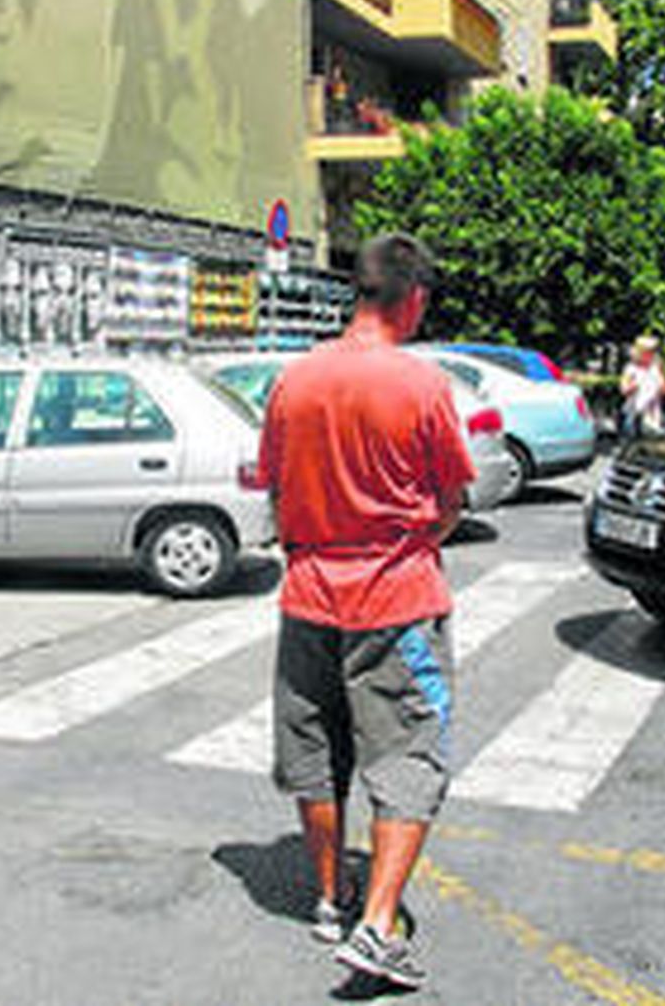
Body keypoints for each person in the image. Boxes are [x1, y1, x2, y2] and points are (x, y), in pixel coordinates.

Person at [255, 233, 475, 990]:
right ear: (414, 299)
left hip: (308, 596)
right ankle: (378, 926)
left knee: (315, 747)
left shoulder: (293, 381)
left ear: (359, 290)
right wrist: (404, 548)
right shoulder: (421, 384)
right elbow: (449, 501)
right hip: (396, 602)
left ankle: (330, 898)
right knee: (410, 752)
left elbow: (276, 488)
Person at [619, 334, 665, 439]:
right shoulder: (631, 369)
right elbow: (623, 390)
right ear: (639, 353)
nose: (651, 354)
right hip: (633, 416)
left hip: (652, 416)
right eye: (648, 352)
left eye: (652, 352)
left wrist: (661, 385)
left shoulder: (655, 369)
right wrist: (633, 386)